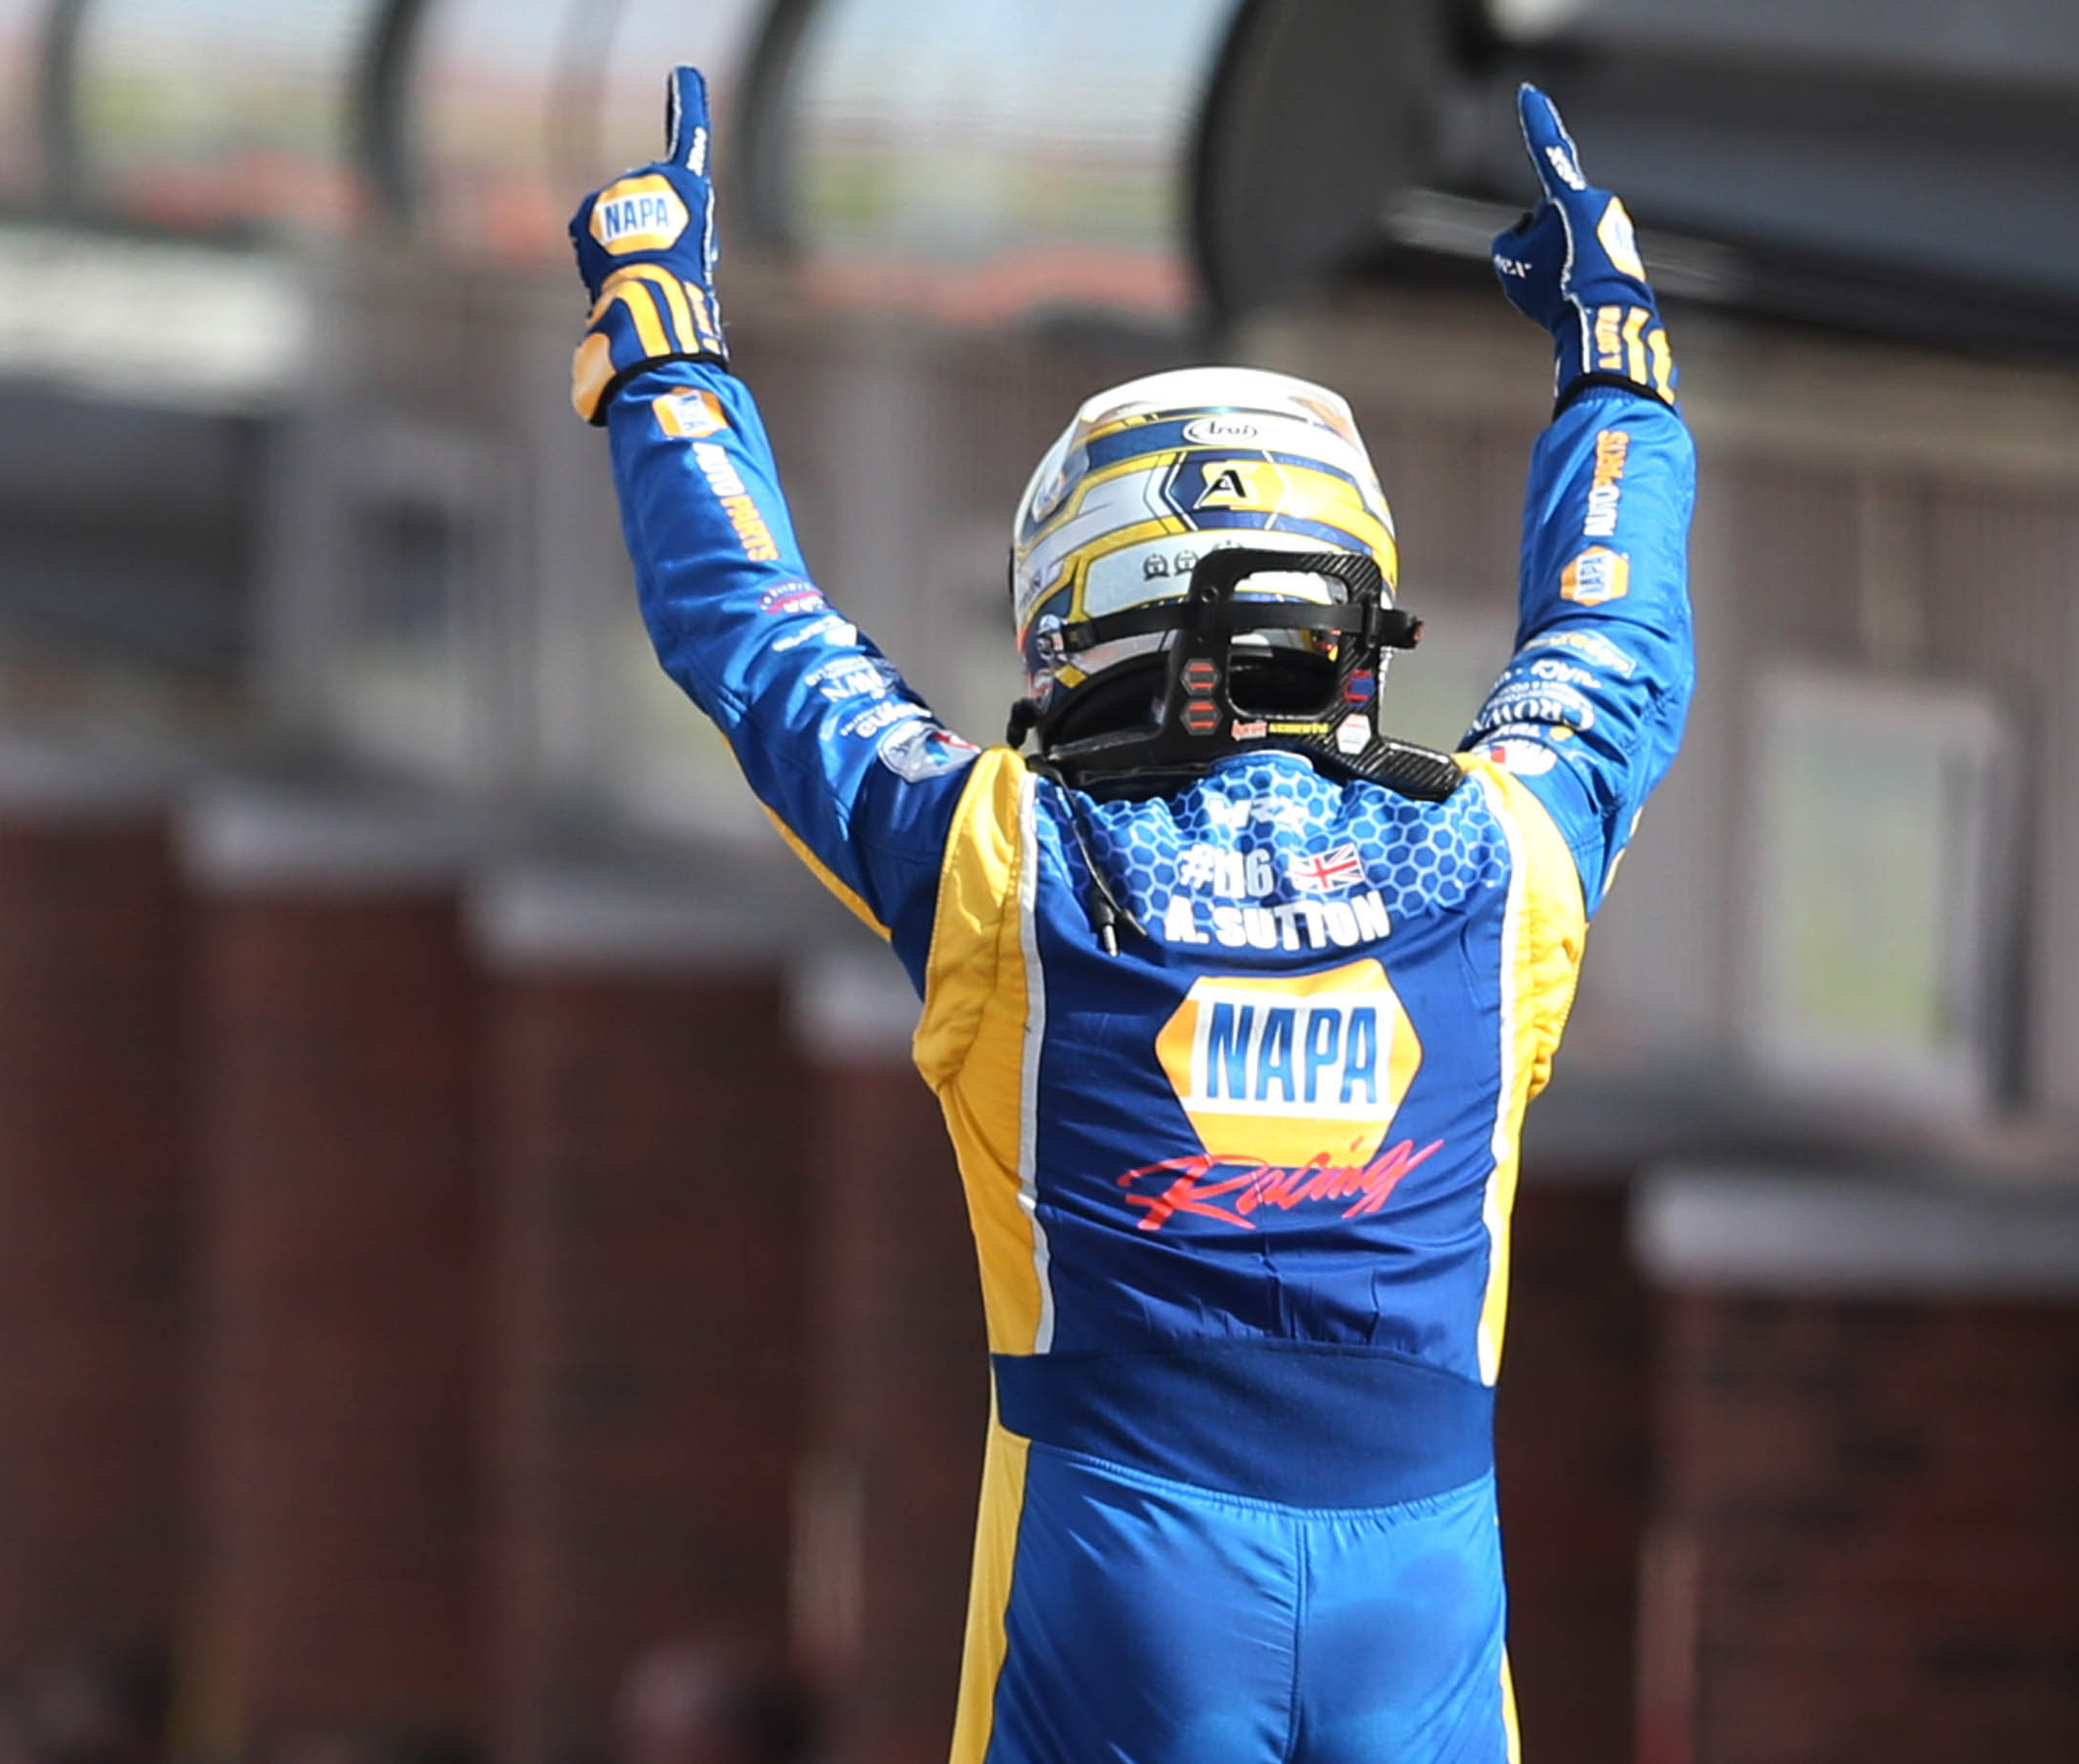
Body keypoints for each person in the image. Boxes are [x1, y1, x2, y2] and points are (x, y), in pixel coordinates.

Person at [571, 72, 1696, 1764]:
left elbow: (753, 633)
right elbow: (1617, 649)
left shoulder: (1008, 866)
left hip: (1123, 1557)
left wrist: (661, 344)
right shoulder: (1501, 858)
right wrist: (1618, 366)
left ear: (1076, 628)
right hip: (1428, 1574)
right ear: (1349, 615)